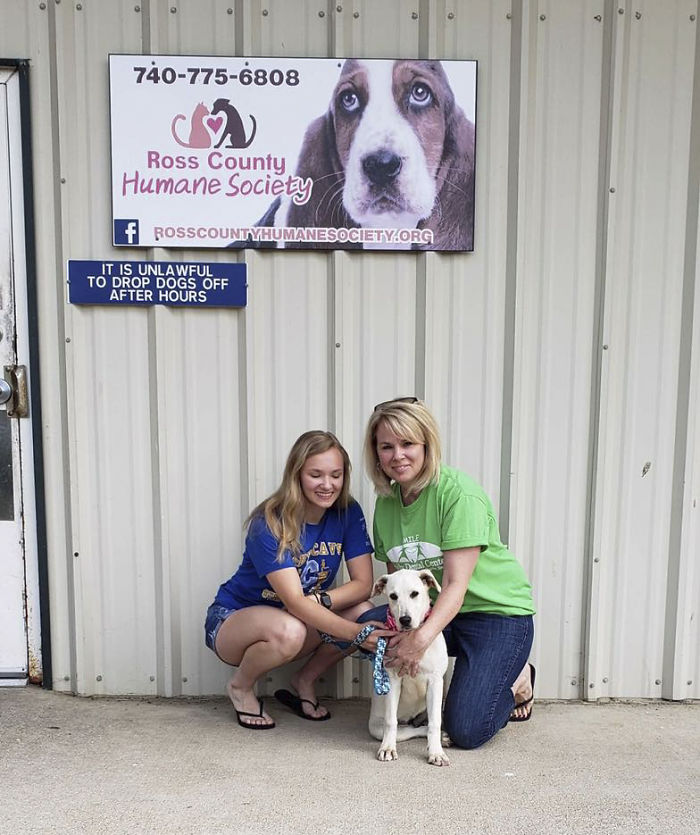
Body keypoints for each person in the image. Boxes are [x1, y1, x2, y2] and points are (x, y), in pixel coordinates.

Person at [360, 398, 536, 749]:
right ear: (376, 453)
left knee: (467, 729)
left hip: (495, 615)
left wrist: (418, 641)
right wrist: (400, 636)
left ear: (427, 444)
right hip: (438, 613)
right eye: (387, 446)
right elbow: (402, 583)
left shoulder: (458, 495)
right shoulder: (387, 503)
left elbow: (456, 586)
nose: (398, 455)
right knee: (364, 628)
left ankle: (517, 680)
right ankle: (417, 704)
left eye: (408, 443)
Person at [205, 430, 392, 730]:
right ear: (297, 475)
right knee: (291, 628)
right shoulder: (269, 521)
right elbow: (294, 602)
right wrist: (358, 634)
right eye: (315, 475)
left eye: (336, 475)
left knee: (364, 610)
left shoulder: (347, 512)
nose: (327, 485)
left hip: (296, 616)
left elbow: (363, 584)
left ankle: (304, 680)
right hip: (233, 621)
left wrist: (324, 600)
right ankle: (240, 687)